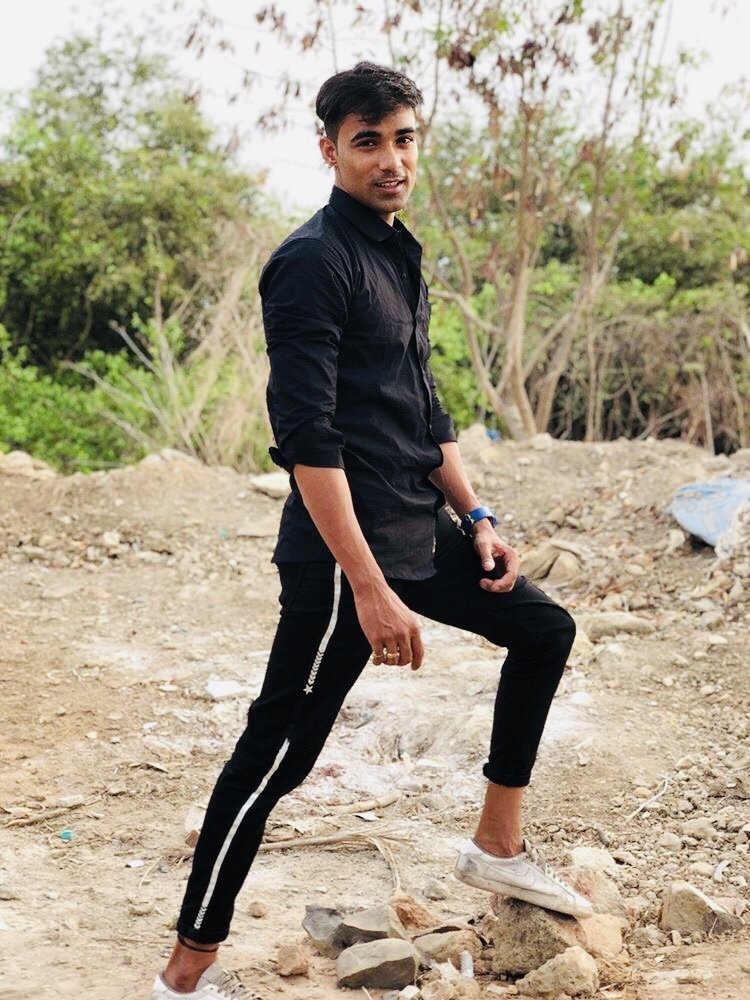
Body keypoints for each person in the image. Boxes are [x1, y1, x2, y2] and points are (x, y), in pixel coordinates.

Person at [152, 61, 591, 1000]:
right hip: (339, 553)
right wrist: (368, 587)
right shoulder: (313, 262)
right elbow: (307, 441)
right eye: (368, 142)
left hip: (415, 525)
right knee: (278, 758)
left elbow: (423, 408)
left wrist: (476, 516)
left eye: (404, 139)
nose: (391, 160)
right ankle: (184, 975)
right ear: (330, 150)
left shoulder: (398, 249)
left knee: (543, 628)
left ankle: (496, 845)